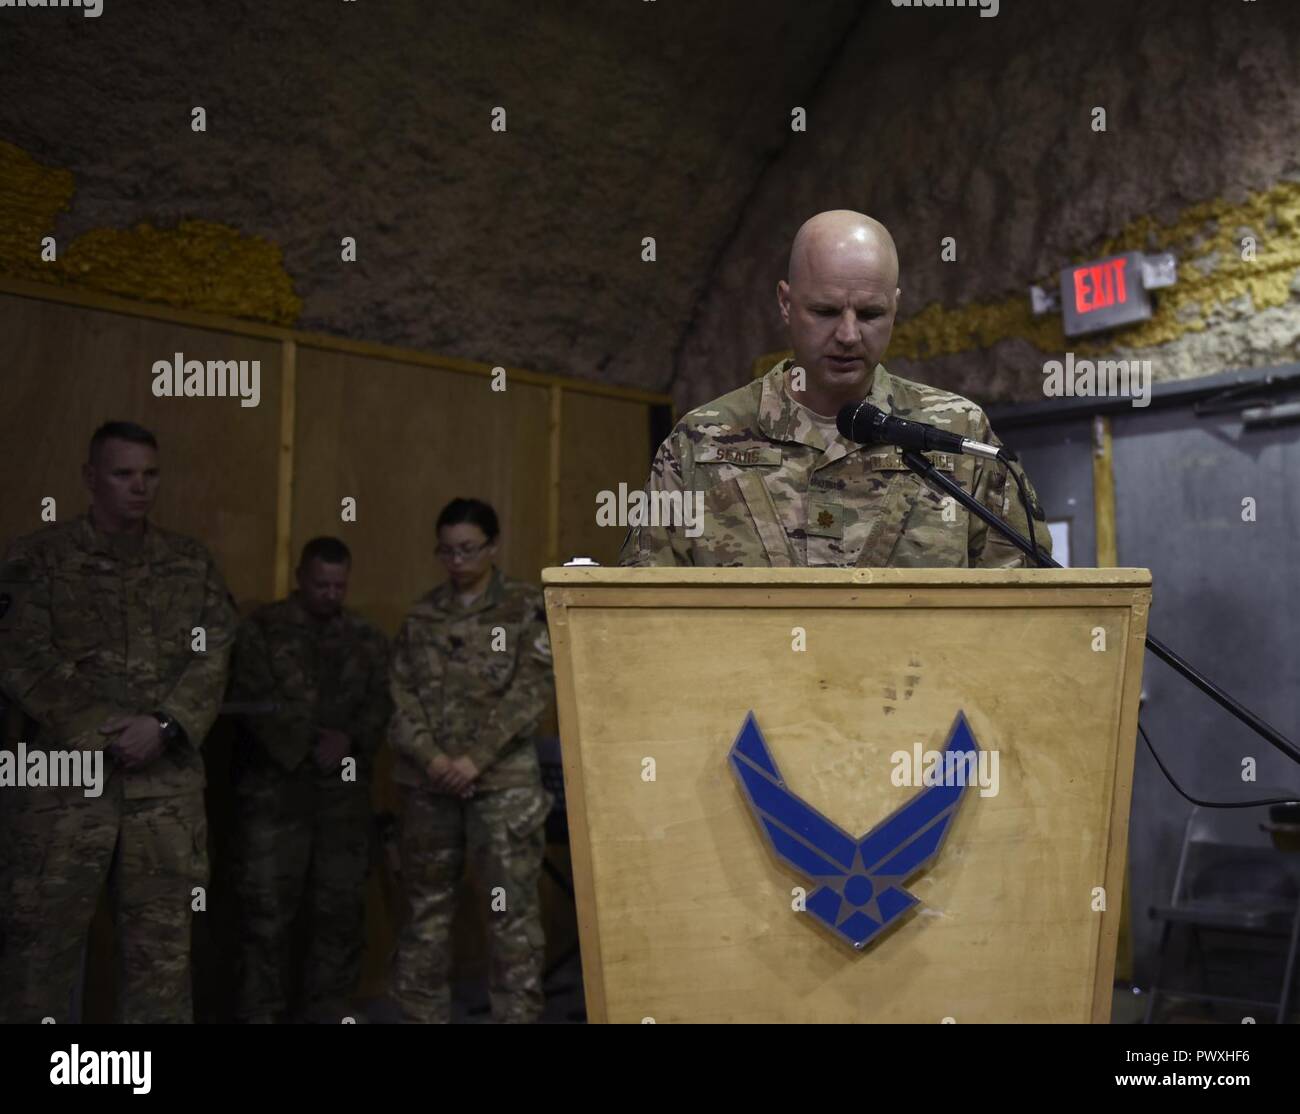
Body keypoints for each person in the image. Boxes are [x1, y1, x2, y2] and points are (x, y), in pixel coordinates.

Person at [620, 209, 1051, 568]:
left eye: (870, 314)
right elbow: (642, 608)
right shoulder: (701, 442)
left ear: (895, 308)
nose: (848, 334)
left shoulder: (957, 434)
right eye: (825, 311)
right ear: (786, 305)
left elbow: (1024, 605)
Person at [0, 420, 236, 1023]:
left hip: (164, 793)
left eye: (150, 474)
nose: (140, 487)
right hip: (62, 793)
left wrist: (164, 724)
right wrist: (108, 730)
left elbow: (213, 653)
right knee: (39, 960)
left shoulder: (190, 564)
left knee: (160, 963)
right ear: (89, 477)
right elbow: (20, 655)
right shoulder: (38, 559)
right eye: (123, 473)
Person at [388, 498, 554, 1023]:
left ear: (492, 546)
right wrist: (436, 760)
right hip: (428, 786)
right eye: (447, 551)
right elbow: (399, 698)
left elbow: (531, 693)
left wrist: (473, 761)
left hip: (503, 789)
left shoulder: (526, 607)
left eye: (468, 549)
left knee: (512, 920)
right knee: (424, 916)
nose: (456, 560)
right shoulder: (422, 614)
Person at [228, 536, 390, 1023]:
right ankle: (260, 1014)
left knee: (338, 914)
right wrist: (302, 744)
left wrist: (350, 740)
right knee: (265, 916)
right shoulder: (262, 629)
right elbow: (247, 697)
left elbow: (384, 702)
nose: (330, 593)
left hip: (342, 801)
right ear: (300, 577)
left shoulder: (367, 637)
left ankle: (329, 1010)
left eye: (339, 585)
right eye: (321, 583)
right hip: (274, 797)